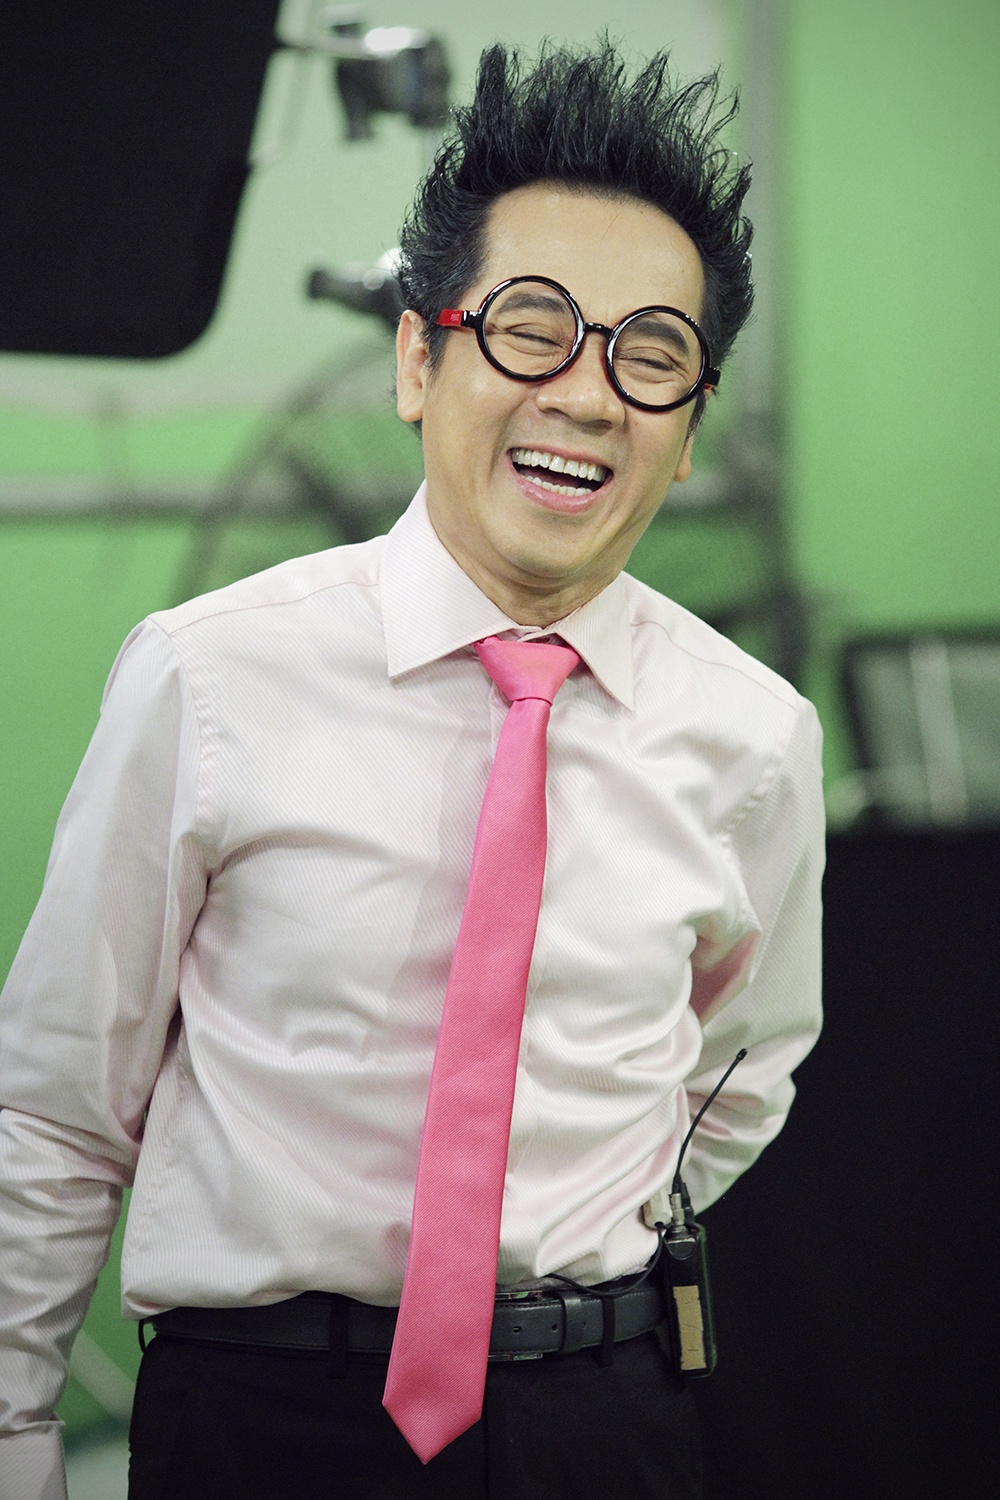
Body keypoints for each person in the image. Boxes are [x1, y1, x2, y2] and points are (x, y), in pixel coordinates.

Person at [0, 40, 824, 1500]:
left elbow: (740, 1070)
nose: (589, 396)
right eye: (531, 329)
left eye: (651, 356)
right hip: (261, 1420)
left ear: (690, 428)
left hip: (604, 1425)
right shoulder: (211, 674)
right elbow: (55, 1109)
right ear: (416, 361)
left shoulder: (753, 735)